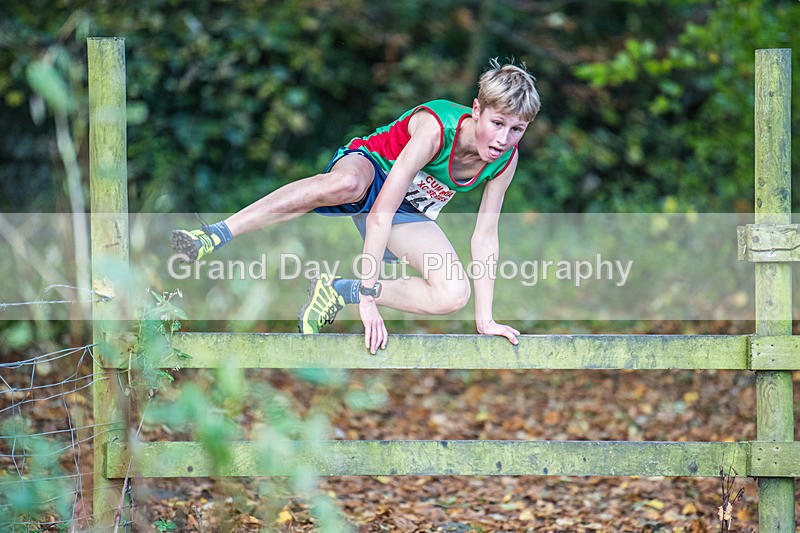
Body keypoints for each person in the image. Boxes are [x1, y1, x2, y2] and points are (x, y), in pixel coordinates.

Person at [171, 59, 540, 354]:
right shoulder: (436, 130)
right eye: (497, 124)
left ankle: (336, 291)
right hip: (372, 168)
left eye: (516, 130)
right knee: (346, 184)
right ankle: (214, 234)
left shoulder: (505, 161)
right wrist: (368, 300)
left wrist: (485, 318)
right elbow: (379, 209)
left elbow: (485, 237)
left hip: (407, 211)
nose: (503, 139)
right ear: (477, 110)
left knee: (452, 294)